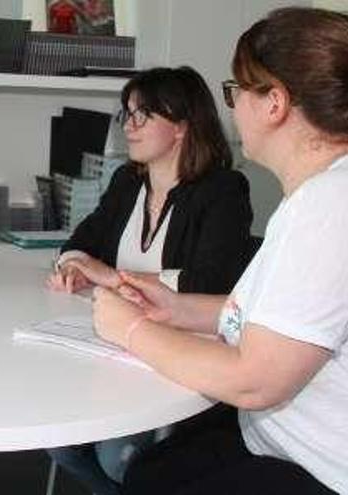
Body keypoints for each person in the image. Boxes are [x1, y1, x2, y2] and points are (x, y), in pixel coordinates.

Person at [93, 7, 348, 494]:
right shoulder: (320, 195)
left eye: (236, 92)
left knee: (149, 477)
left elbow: (256, 380)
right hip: (278, 441)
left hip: (319, 470)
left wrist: (129, 329)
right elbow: (283, 322)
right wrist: (177, 308)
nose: (231, 108)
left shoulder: (328, 205)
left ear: (275, 102)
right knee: (152, 470)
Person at [45, 66, 253, 494]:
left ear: (180, 127)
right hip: (113, 349)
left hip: (180, 354)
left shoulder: (223, 190)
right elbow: (82, 238)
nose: (129, 126)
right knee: (60, 445)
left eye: (143, 115)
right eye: (128, 114)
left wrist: (114, 276)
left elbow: (213, 279)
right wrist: (73, 263)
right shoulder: (127, 181)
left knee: (116, 458)